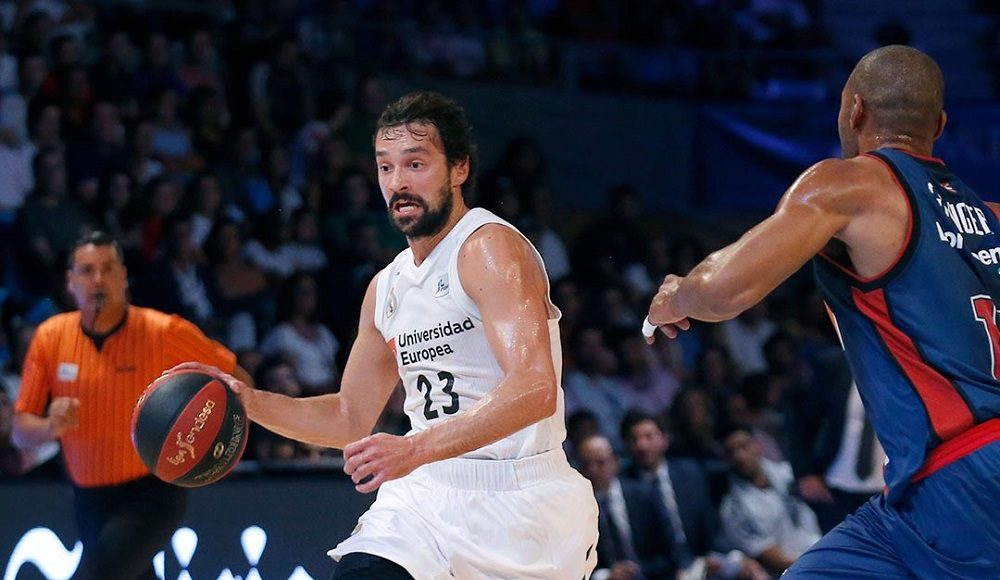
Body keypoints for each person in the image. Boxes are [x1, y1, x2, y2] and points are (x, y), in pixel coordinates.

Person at [175, 91, 599, 579]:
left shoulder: (488, 249)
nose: (398, 183)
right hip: (424, 497)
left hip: (520, 501)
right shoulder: (387, 286)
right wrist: (248, 401)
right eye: (385, 167)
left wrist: (414, 447)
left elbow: (535, 387)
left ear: (459, 168)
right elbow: (348, 417)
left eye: (415, 164)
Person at [646, 45, 1000, 577]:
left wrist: (675, 295)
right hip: (911, 502)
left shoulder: (850, 183)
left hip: (960, 475)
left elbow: (720, 291)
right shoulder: (991, 217)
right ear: (940, 125)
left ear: (854, 110)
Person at [12, 230, 252, 580]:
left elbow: (240, 382)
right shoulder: (50, 337)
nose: (98, 279)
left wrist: (219, 439)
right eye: (87, 270)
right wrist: (49, 427)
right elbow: (19, 432)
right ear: (70, 281)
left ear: (124, 277)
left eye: (108, 268)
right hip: (87, 498)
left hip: (151, 492)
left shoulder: (163, 332)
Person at [620, 411, 768, 580]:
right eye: (634, 439)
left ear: (664, 439)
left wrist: (725, 558)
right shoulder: (623, 489)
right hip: (657, 573)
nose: (642, 445)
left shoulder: (690, 473)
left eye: (648, 437)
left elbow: (710, 525)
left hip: (703, 563)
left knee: (748, 570)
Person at [577, 433, 690, 580]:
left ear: (615, 462)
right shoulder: (576, 508)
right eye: (586, 464)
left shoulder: (644, 494)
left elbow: (670, 546)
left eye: (600, 462)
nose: (592, 470)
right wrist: (606, 575)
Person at [718, 425, 822, 575]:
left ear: (757, 445)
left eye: (744, 446)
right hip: (794, 571)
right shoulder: (732, 511)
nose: (740, 456)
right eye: (731, 452)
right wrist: (818, 567)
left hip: (824, 546)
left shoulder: (789, 473)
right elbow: (773, 558)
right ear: (725, 459)